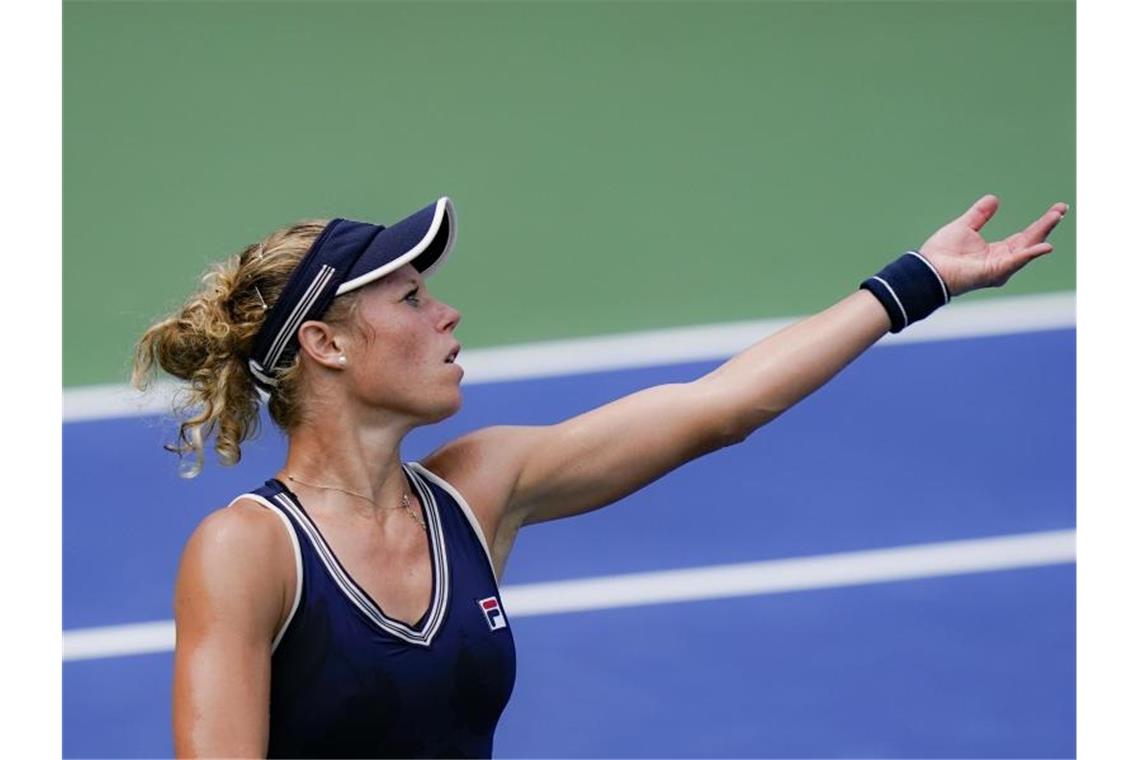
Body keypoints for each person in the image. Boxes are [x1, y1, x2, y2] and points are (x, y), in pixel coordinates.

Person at [134, 193, 1067, 758]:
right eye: (412, 298)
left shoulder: (479, 491)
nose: (448, 314)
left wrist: (916, 283)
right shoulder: (249, 553)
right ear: (325, 345)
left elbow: (718, 409)